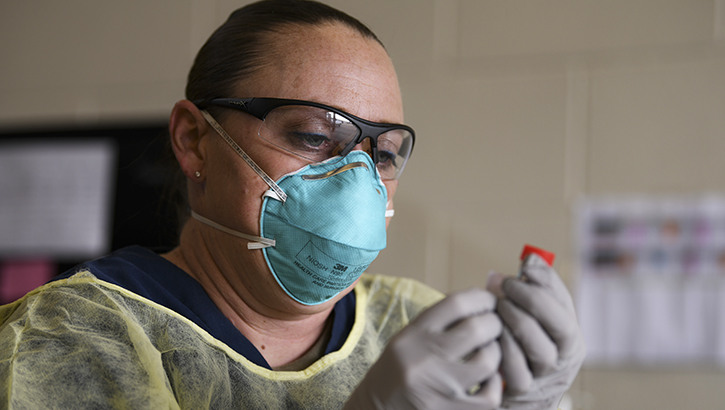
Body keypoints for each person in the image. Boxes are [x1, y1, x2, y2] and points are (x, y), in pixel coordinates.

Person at [0, 1, 585, 409]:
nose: (357, 180)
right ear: (193, 140)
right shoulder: (69, 340)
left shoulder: (417, 326)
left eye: (381, 154)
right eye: (311, 137)